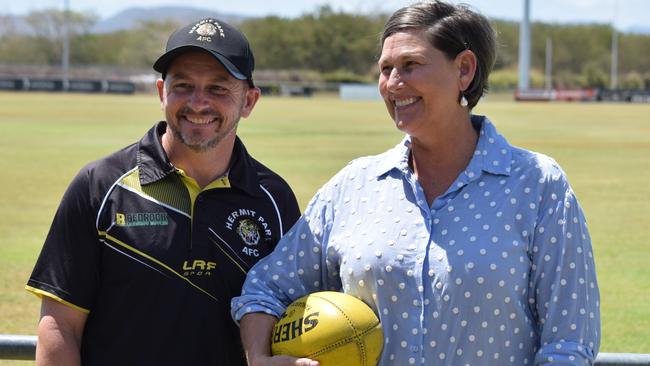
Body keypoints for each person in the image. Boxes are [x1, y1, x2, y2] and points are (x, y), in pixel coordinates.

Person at [231, 2, 600, 365]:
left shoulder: (537, 184)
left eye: (410, 65)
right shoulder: (354, 186)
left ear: (465, 70)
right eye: (386, 68)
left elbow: (569, 342)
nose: (393, 84)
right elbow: (267, 288)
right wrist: (259, 358)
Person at [25, 17, 300, 366]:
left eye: (218, 88)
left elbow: (290, 318)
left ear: (249, 101)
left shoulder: (274, 200)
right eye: (183, 85)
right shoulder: (99, 185)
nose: (198, 103)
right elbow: (60, 326)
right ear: (161, 92)